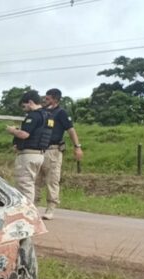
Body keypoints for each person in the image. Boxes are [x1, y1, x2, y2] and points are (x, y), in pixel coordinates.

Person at [35, 88, 83, 220]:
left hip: (54, 150)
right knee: (36, 180)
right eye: (45, 98)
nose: (45, 100)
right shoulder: (42, 112)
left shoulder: (61, 113)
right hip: (39, 150)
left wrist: (77, 147)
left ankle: (50, 208)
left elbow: (71, 130)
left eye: (48, 98)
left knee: (52, 180)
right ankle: (34, 206)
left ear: (55, 100)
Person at [6, 90, 52, 205]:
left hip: (28, 155)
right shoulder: (48, 116)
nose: (23, 109)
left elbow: (24, 134)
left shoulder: (33, 116)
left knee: (24, 185)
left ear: (30, 102)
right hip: (40, 154)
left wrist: (12, 131)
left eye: (24, 105)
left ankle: (27, 212)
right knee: (30, 183)